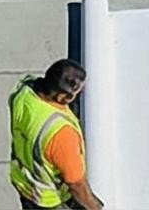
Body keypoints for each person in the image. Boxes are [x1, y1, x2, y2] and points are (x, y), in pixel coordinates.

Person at [9, 58, 104, 210]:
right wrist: (95, 207)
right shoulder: (61, 133)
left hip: (24, 182)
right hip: (48, 199)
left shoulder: (22, 91)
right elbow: (77, 185)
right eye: (77, 94)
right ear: (62, 97)